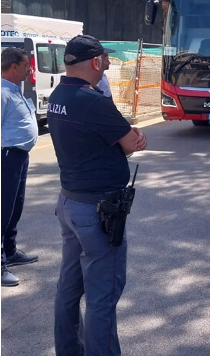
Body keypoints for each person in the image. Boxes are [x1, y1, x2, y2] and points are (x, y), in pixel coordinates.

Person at [48, 35, 148, 356]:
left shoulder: (58, 95)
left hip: (70, 202)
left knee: (69, 287)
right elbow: (131, 142)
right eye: (105, 60)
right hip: (98, 211)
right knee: (103, 296)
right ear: (94, 62)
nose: (107, 65)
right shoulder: (93, 101)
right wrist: (130, 139)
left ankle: (68, 350)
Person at [1, 48, 40, 287]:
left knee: (14, 208)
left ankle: (10, 251)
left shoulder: (15, 91)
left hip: (19, 157)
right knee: (2, 210)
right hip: (6, 157)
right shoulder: (3, 94)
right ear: (13, 67)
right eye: (26, 65)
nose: (30, 69)